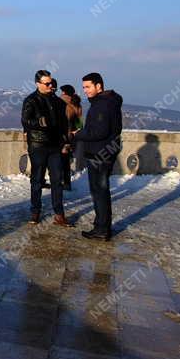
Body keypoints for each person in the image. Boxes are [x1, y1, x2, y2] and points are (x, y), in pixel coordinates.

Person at [73, 72, 123, 241]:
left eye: (88, 87)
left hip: (99, 154)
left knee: (99, 191)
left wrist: (78, 134)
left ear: (98, 86)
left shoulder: (102, 104)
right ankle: (102, 227)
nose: (85, 91)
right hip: (106, 152)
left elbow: (99, 131)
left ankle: (102, 229)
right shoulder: (109, 102)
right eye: (84, 87)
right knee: (101, 191)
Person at [21, 70, 71, 226]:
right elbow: (25, 121)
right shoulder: (31, 100)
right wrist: (39, 122)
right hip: (38, 146)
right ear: (38, 84)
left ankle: (59, 214)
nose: (51, 86)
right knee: (37, 180)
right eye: (47, 83)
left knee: (57, 180)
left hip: (55, 146)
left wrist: (66, 141)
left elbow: (64, 125)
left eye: (51, 83)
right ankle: (35, 212)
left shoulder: (59, 102)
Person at [58, 84, 83, 192]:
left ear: (64, 92)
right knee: (66, 161)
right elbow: (79, 122)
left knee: (58, 160)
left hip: (61, 136)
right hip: (71, 137)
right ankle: (67, 183)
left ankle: (60, 182)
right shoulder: (77, 104)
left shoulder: (61, 102)